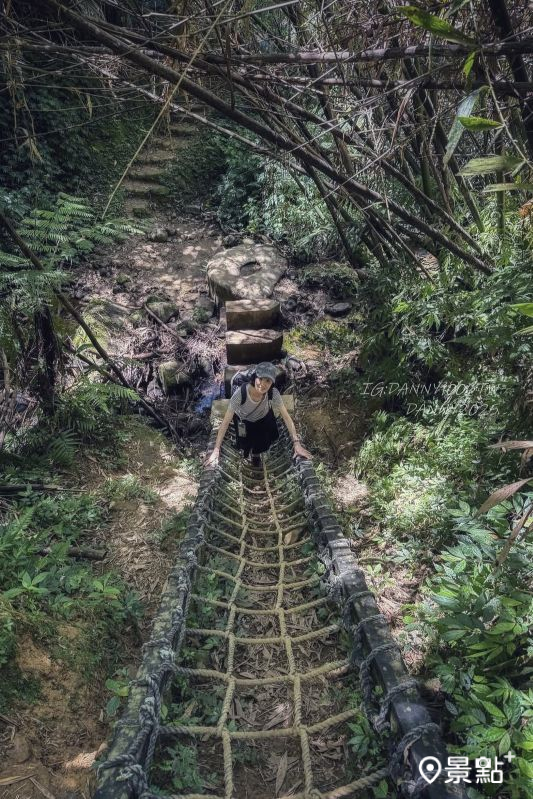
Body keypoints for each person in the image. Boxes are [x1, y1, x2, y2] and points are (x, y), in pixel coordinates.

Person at [205, 362, 312, 468]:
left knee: (262, 442)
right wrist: (216, 450)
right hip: (244, 421)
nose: (263, 384)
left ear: (271, 383)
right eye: (260, 378)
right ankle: (247, 454)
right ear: (254, 378)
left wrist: (296, 443)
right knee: (244, 442)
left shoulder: (273, 393)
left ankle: (256, 455)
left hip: (262, 419)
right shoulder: (240, 394)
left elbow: (286, 417)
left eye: (268, 381)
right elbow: (225, 422)